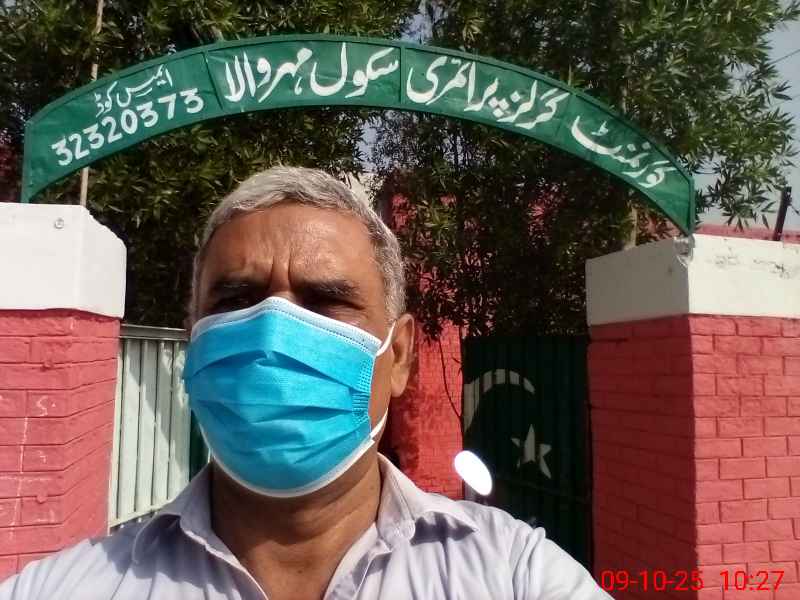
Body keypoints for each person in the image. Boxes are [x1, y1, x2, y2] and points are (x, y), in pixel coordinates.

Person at [0, 166, 611, 600]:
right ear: (194, 344)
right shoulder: (67, 588)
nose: (273, 331)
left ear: (399, 356)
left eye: (325, 301)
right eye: (236, 299)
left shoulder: (514, 575)